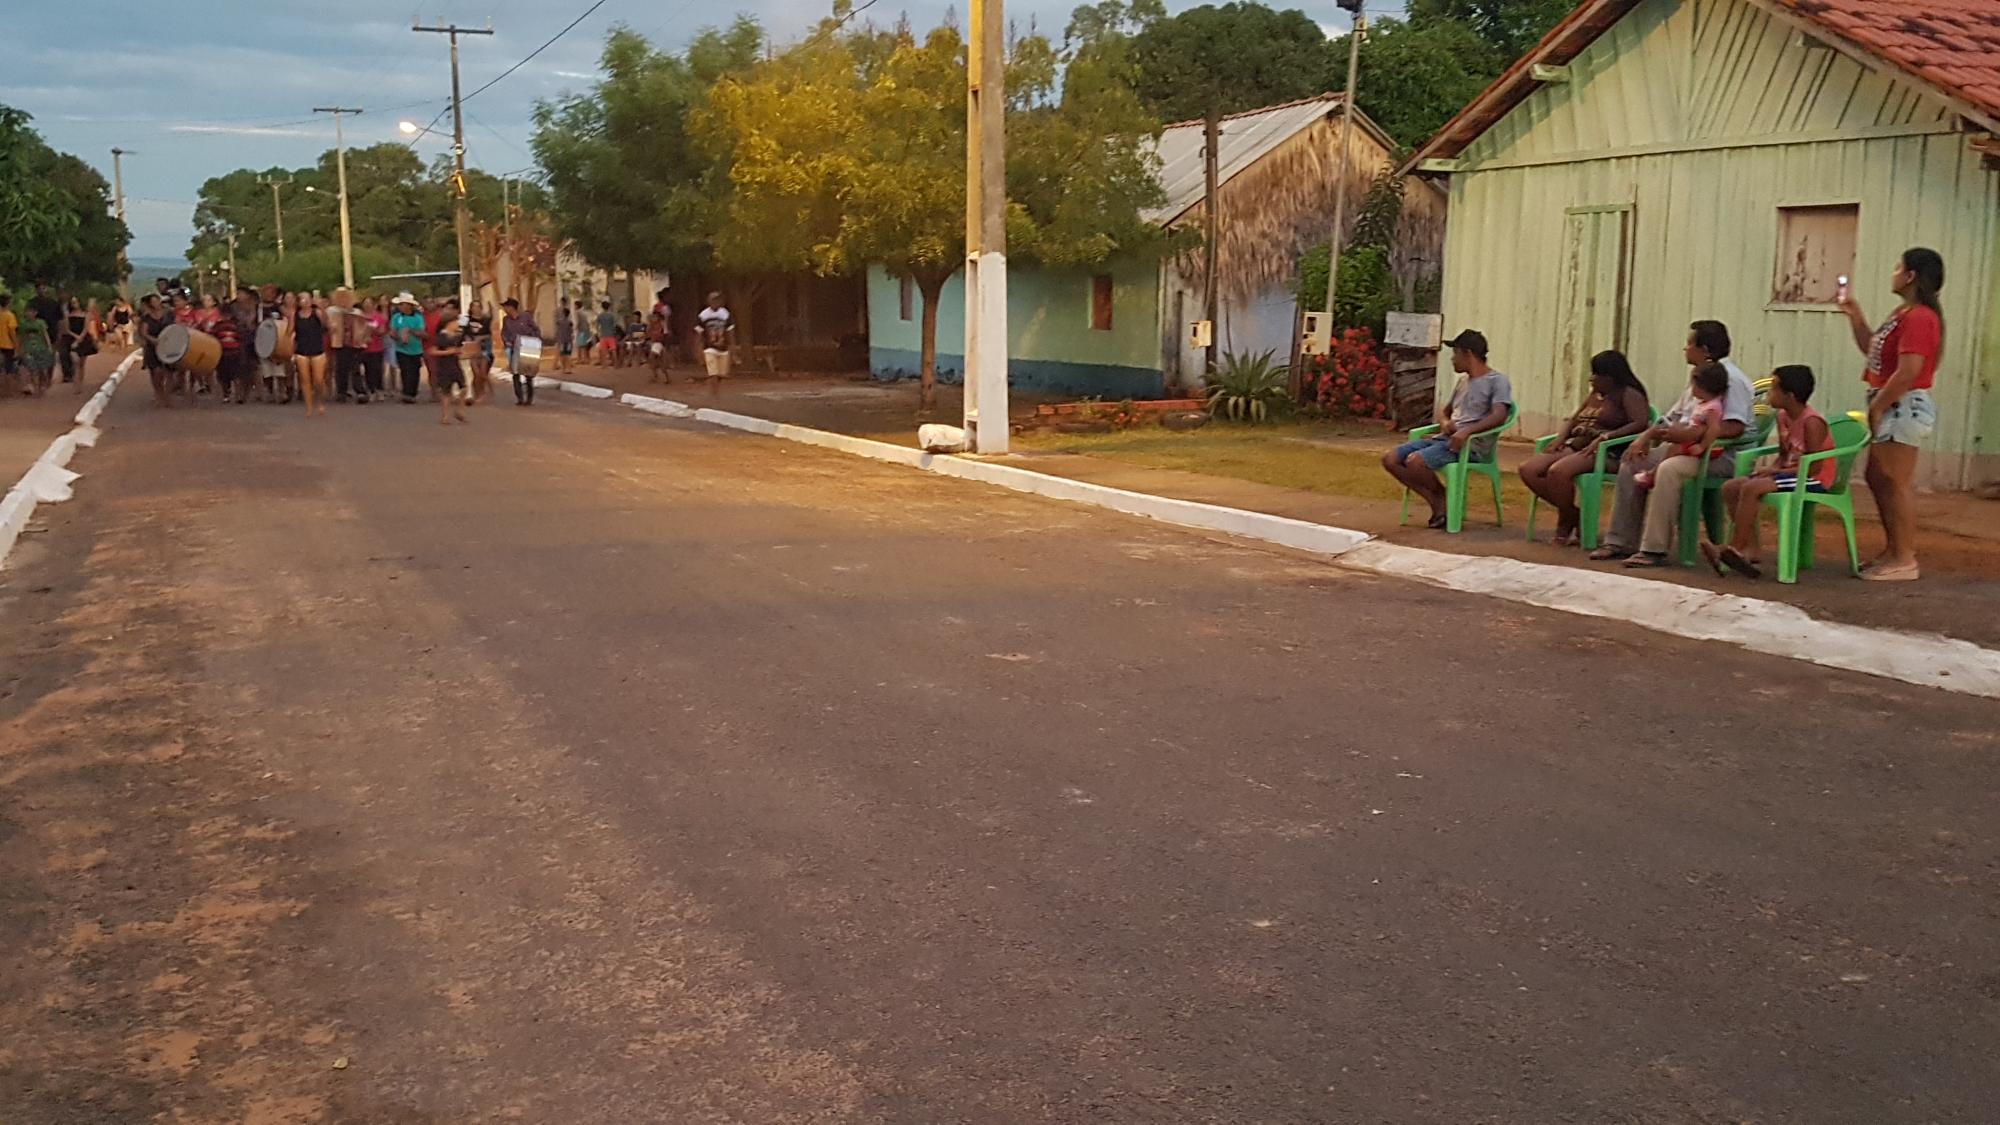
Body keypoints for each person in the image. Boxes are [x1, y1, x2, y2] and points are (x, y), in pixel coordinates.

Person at [1590, 320, 1756, 562]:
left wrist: (1691, 435)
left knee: (1669, 469)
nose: (1685, 349)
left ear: (1706, 350)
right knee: (1633, 461)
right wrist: (1645, 437)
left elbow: (1735, 428)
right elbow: (1671, 418)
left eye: (1690, 343)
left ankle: (1653, 549)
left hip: (1719, 455)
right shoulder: (1699, 378)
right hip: (1684, 448)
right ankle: (1620, 542)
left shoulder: (1732, 380)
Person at [1838, 247, 1944, 582]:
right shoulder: (1904, 313)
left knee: (1895, 481)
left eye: (1899, 267)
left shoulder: (1920, 317)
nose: (1894, 271)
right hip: (1890, 399)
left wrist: (1880, 405)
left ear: (1911, 276)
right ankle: (1893, 550)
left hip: (1901, 404)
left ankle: (1904, 557)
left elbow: (1909, 370)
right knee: (1878, 476)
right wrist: (1856, 317)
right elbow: (1875, 352)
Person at [1699, 364, 1835, 579]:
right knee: (1731, 487)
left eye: (1773, 389)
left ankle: (1734, 548)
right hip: (1791, 471)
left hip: (1812, 477)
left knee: (1753, 487)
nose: (1769, 394)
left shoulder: (1812, 423)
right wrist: (1772, 468)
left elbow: (1815, 465)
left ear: (1789, 395)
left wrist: (1779, 473)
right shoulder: (1782, 417)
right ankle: (1750, 550)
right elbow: (1784, 453)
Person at [1381, 329, 1513, 528]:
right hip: (1447, 439)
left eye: (1455, 354)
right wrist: (1445, 423)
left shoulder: (1497, 381)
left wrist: (1467, 431)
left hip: (1471, 445)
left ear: (1467, 354)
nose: (1452, 360)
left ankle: (1441, 503)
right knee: (1391, 459)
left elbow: (1499, 415)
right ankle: (1438, 498)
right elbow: (1446, 411)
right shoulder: (1463, 382)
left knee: (1416, 462)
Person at [1518, 350, 1651, 546]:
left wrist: (1606, 436)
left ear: (1610, 377)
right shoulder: (1596, 395)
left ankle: (1565, 523)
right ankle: (1574, 515)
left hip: (1607, 451)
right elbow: (1574, 419)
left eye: (1596, 374)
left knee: (1558, 472)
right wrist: (1561, 438)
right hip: (1578, 444)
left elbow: (1640, 423)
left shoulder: (1628, 394)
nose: (1592, 379)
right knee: (1528, 470)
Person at [426, 300, 470, 425]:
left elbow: (459, 348)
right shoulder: (441, 337)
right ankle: (445, 416)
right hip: (444, 367)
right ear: (448, 324)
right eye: (455, 322)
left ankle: (460, 411)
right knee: (446, 393)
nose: (457, 324)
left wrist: (459, 351)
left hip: (455, 365)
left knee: (464, 388)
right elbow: (432, 351)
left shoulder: (456, 336)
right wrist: (447, 352)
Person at [292, 291, 329, 417]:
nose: (305, 301)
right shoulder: (295, 315)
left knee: (318, 380)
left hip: (317, 348)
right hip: (302, 349)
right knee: (305, 379)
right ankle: (308, 407)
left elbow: (325, 324)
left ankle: (319, 402)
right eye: (302, 299)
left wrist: (322, 308)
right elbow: (290, 332)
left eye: (307, 298)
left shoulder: (316, 313)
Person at [499, 297, 541, 406]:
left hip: (528, 347)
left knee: (528, 373)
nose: (505, 309)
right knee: (515, 373)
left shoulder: (526, 317)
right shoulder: (506, 320)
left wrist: (535, 340)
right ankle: (520, 398)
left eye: (506, 307)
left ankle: (529, 398)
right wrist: (507, 342)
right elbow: (504, 333)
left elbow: (536, 329)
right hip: (514, 348)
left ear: (511, 307)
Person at [389, 292, 428, 404]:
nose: (401, 307)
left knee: (415, 371)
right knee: (405, 370)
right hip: (401, 349)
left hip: (416, 349)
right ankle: (406, 393)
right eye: (400, 305)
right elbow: (392, 331)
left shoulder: (418, 318)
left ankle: (412, 392)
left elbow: (421, 331)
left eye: (403, 304)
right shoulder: (396, 317)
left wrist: (410, 331)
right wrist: (398, 337)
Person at [696, 291, 737, 399]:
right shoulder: (703, 315)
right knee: (712, 373)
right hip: (709, 347)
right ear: (708, 301)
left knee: (721, 374)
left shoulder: (725, 314)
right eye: (713, 300)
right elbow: (699, 333)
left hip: (723, 347)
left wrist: (732, 348)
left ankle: (716, 389)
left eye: (718, 300)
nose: (716, 302)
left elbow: (730, 331)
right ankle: (714, 394)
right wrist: (699, 350)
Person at [138, 294, 175, 408]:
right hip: (153, 346)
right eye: (153, 301)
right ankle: (159, 395)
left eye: (157, 300)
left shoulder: (169, 314)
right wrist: (152, 340)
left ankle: (167, 397)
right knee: (156, 372)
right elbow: (144, 332)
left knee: (169, 373)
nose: (155, 303)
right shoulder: (147, 317)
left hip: (168, 345)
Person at [17, 301, 54, 397]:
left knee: (42, 370)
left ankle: (43, 384)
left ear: (35, 313)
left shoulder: (40, 323)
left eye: (31, 312)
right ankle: (36, 388)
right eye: (27, 312)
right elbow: (21, 337)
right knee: (33, 369)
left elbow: (45, 335)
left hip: (40, 348)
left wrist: (49, 346)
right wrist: (19, 348)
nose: (29, 314)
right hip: (28, 349)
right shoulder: (23, 324)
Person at [466, 297, 495, 403]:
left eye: (478, 306)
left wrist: (481, 338)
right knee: (476, 373)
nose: (476, 308)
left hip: (484, 349)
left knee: (483, 372)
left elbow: (489, 334)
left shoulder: (485, 320)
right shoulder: (467, 320)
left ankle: (483, 393)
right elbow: (464, 333)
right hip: (472, 349)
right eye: (474, 306)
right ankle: (477, 393)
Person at [360, 295, 388, 400]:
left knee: (377, 369)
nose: (367, 305)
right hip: (364, 348)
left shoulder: (379, 317)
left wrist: (372, 330)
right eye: (365, 303)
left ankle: (379, 390)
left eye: (369, 303)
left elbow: (382, 331)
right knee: (368, 370)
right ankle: (371, 390)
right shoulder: (360, 317)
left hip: (377, 348)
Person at [0, 293, 17, 394]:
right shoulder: (10, 315)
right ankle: (9, 391)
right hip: (8, 344)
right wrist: (16, 345)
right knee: (8, 368)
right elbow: (12, 332)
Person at [594, 300, 619, 366]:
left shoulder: (600, 315)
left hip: (603, 334)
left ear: (602, 307)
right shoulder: (612, 315)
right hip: (611, 334)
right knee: (613, 349)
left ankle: (604, 364)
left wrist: (598, 332)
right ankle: (616, 363)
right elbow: (614, 325)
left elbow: (597, 325)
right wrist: (614, 332)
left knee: (603, 350)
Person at [553, 300, 573, 375]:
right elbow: (571, 331)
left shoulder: (560, 322)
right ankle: (569, 368)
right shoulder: (570, 322)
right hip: (568, 340)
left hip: (562, 340)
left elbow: (557, 328)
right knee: (568, 354)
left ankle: (564, 368)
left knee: (562, 354)